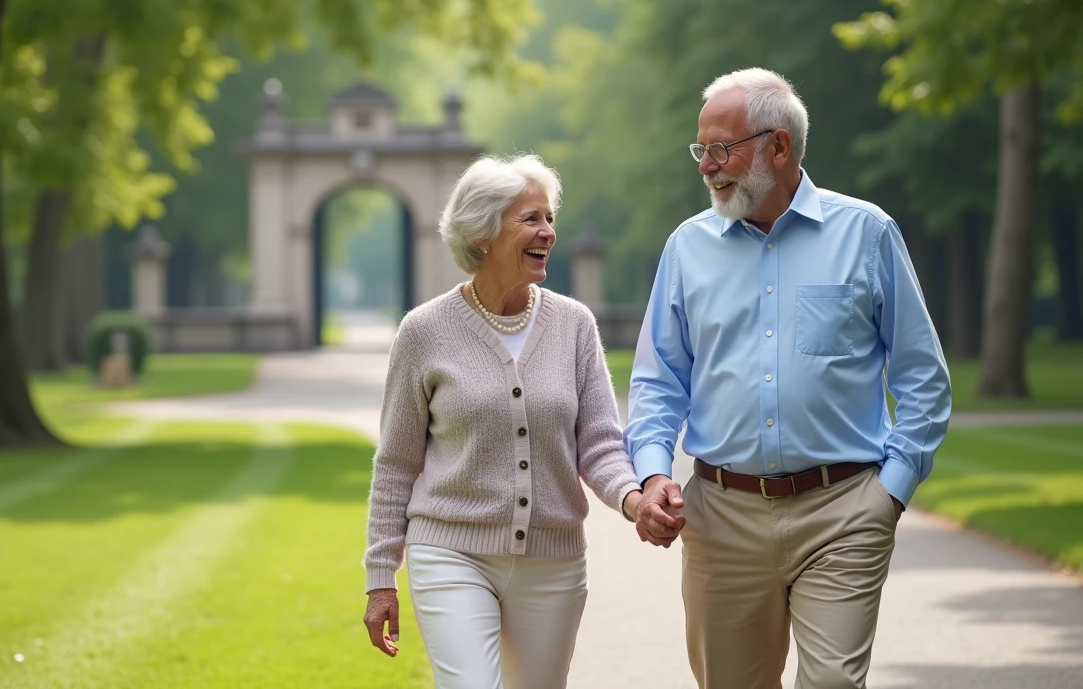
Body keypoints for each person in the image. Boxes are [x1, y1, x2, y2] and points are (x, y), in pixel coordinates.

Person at [624, 68, 952, 689]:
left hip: (845, 511)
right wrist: (654, 472)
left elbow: (923, 376)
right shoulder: (685, 249)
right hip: (721, 517)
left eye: (723, 148)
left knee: (832, 683)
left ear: (779, 147)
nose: (707, 165)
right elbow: (659, 382)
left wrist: (891, 492)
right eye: (702, 149)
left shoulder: (868, 234)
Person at [362, 153, 643, 689]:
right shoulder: (424, 332)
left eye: (550, 219)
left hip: (552, 561)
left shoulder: (574, 325)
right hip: (451, 551)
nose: (548, 233)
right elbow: (396, 463)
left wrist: (632, 499)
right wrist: (381, 578)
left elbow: (601, 444)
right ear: (482, 232)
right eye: (531, 219)